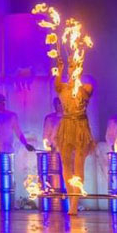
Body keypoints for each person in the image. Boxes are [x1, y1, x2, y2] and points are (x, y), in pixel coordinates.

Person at [54, 56, 95, 216]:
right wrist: (60, 70)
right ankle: (72, 199)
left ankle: (74, 204)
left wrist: (77, 81)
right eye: (70, 66)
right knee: (66, 164)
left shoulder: (86, 86)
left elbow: (86, 95)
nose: (72, 68)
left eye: (75, 66)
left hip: (80, 126)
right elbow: (57, 86)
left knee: (78, 164)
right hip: (66, 126)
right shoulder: (63, 87)